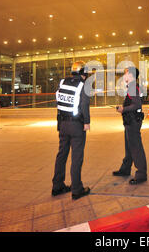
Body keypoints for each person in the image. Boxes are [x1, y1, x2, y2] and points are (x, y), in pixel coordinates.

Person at [52, 61, 91, 200]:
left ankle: (57, 186)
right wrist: (87, 122)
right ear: (83, 73)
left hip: (62, 123)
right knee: (76, 157)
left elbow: (58, 101)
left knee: (61, 154)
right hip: (76, 126)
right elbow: (85, 104)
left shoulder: (62, 82)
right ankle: (76, 189)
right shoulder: (83, 85)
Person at [113, 67, 147, 185]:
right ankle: (125, 169)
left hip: (133, 122)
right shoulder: (132, 86)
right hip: (130, 121)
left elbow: (137, 104)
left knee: (136, 147)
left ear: (131, 75)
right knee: (129, 146)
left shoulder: (133, 87)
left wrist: (123, 109)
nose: (124, 75)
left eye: (126, 73)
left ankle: (141, 174)